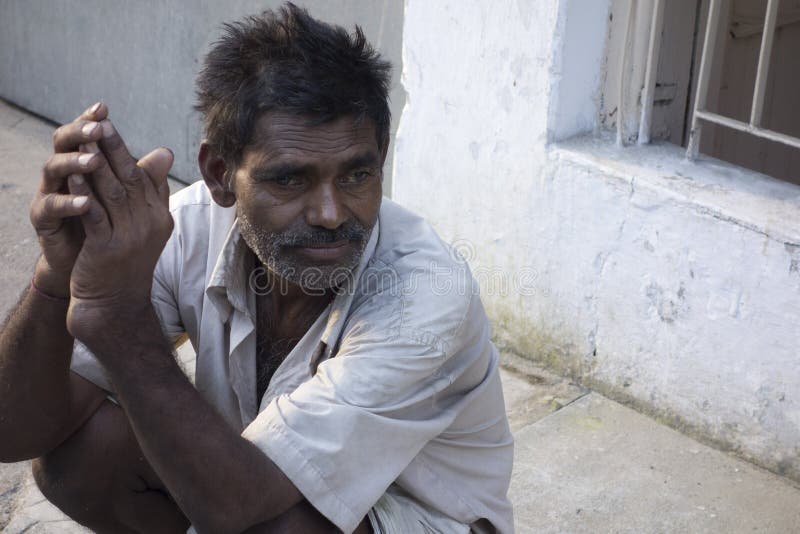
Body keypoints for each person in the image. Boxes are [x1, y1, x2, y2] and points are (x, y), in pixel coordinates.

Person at [0, 3, 513, 533]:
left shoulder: (426, 295)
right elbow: (13, 433)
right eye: (289, 180)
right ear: (220, 175)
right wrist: (59, 278)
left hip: (415, 517)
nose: (331, 214)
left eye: (357, 175)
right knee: (82, 456)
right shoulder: (188, 229)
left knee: (270, 525)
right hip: (258, 485)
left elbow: (237, 507)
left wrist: (116, 316)